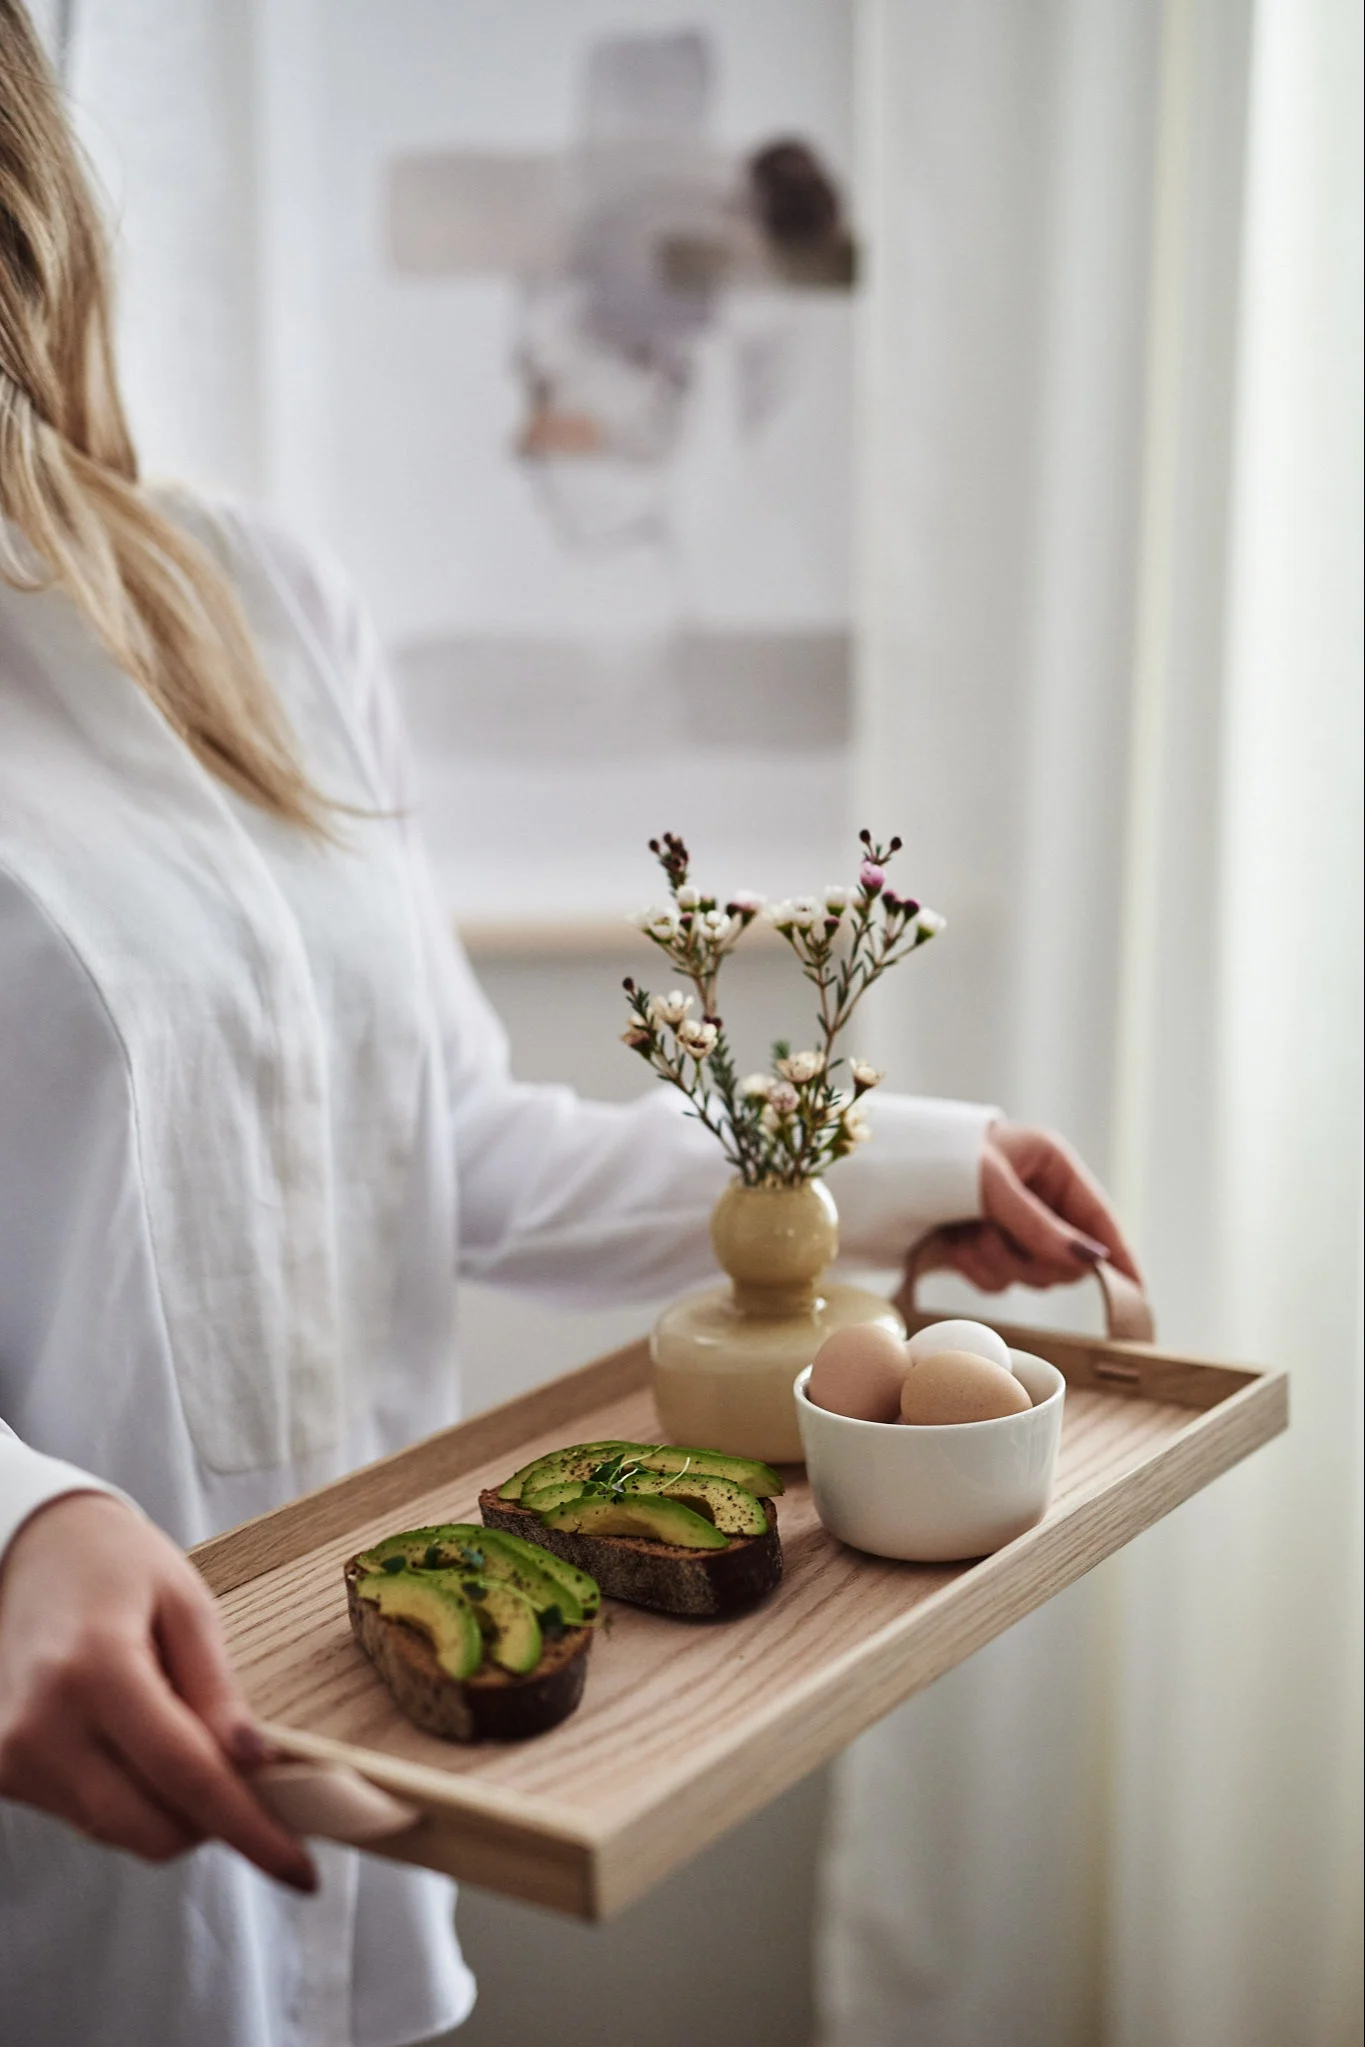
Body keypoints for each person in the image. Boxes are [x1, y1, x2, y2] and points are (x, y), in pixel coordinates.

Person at [0, 7, 1139, 2044]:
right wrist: (23, 1526)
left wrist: (898, 1168)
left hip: (390, 1779)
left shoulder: (255, 602)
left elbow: (453, 1150)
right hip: (74, 1892)